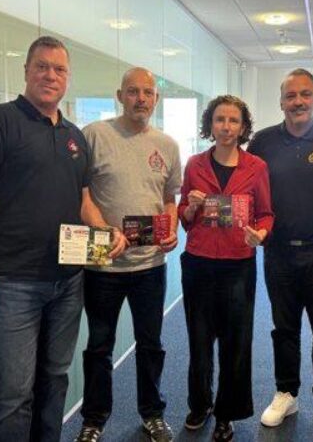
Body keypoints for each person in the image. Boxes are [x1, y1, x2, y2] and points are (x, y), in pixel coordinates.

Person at [0, 36, 90, 442]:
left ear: (68, 78)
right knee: (15, 393)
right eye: (42, 66)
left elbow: (83, 201)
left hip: (68, 280)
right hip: (13, 283)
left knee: (55, 379)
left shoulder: (74, 136)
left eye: (60, 69)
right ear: (27, 71)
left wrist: (107, 233)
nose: (51, 75)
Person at [75, 67, 181, 442]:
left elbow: (169, 198)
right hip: (103, 266)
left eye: (147, 92)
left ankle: (152, 413)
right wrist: (105, 230)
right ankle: (93, 418)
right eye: (133, 91)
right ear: (119, 96)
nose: (141, 98)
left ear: (156, 99)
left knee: (151, 344)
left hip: (150, 267)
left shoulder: (167, 144)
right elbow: (82, 194)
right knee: (99, 347)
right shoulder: (95, 135)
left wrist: (172, 227)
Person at [247, 68, 313, 441]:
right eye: (291, 96)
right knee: (284, 329)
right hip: (278, 254)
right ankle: (287, 392)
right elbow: (249, 195)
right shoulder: (261, 142)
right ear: (281, 102)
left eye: (305, 95)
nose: (298, 102)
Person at [178, 95, 274, 441]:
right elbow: (185, 219)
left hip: (238, 265)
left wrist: (259, 234)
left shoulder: (256, 167)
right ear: (210, 125)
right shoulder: (194, 165)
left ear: (243, 126)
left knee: (235, 343)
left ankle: (225, 414)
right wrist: (189, 207)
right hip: (199, 264)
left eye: (234, 121)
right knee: (199, 340)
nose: (226, 127)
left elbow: (265, 213)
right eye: (220, 120)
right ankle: (199, 404)